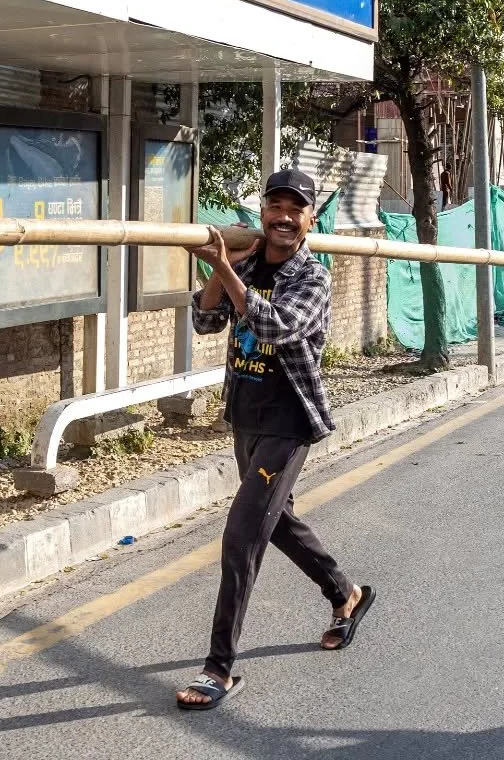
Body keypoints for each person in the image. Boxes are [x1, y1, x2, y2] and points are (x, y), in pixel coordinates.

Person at [174, 169, 373, 711]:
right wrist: (221, 268)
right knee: (276, 519)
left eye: (295, 209)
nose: (284, 218)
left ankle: (218, 668)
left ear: (311, 219)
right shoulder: (247, 262)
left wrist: (222, 266)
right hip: (246, 415)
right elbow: (206, 321)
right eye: (275, 207)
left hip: (289, 421)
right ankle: (346, 594)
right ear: (262, 212)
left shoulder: (313, 277)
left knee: (241, 536)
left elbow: (274, 328)